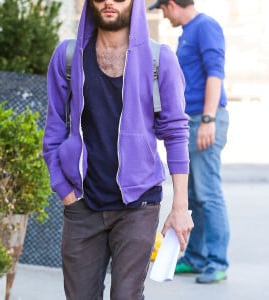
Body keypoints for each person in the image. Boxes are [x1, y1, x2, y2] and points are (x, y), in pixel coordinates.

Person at [43, 0, 193, 299]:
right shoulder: (68, 57)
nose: (109, 1)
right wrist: (65, 191)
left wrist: (179, 207)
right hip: (82, 204)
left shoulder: (159, 59)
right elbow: (54, 129)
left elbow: (175, 133)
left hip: (138, 206)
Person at [149, 0, 230, 284]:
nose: (163, 15)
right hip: (192, 119)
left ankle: (217, 261)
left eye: (163, 9)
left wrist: (208, 119)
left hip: (204, 119)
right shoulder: (188, 31)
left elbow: (215, 74)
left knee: (208, 194)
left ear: (172, 4)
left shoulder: (205, 26)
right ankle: (195, 258)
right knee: (193, 195)